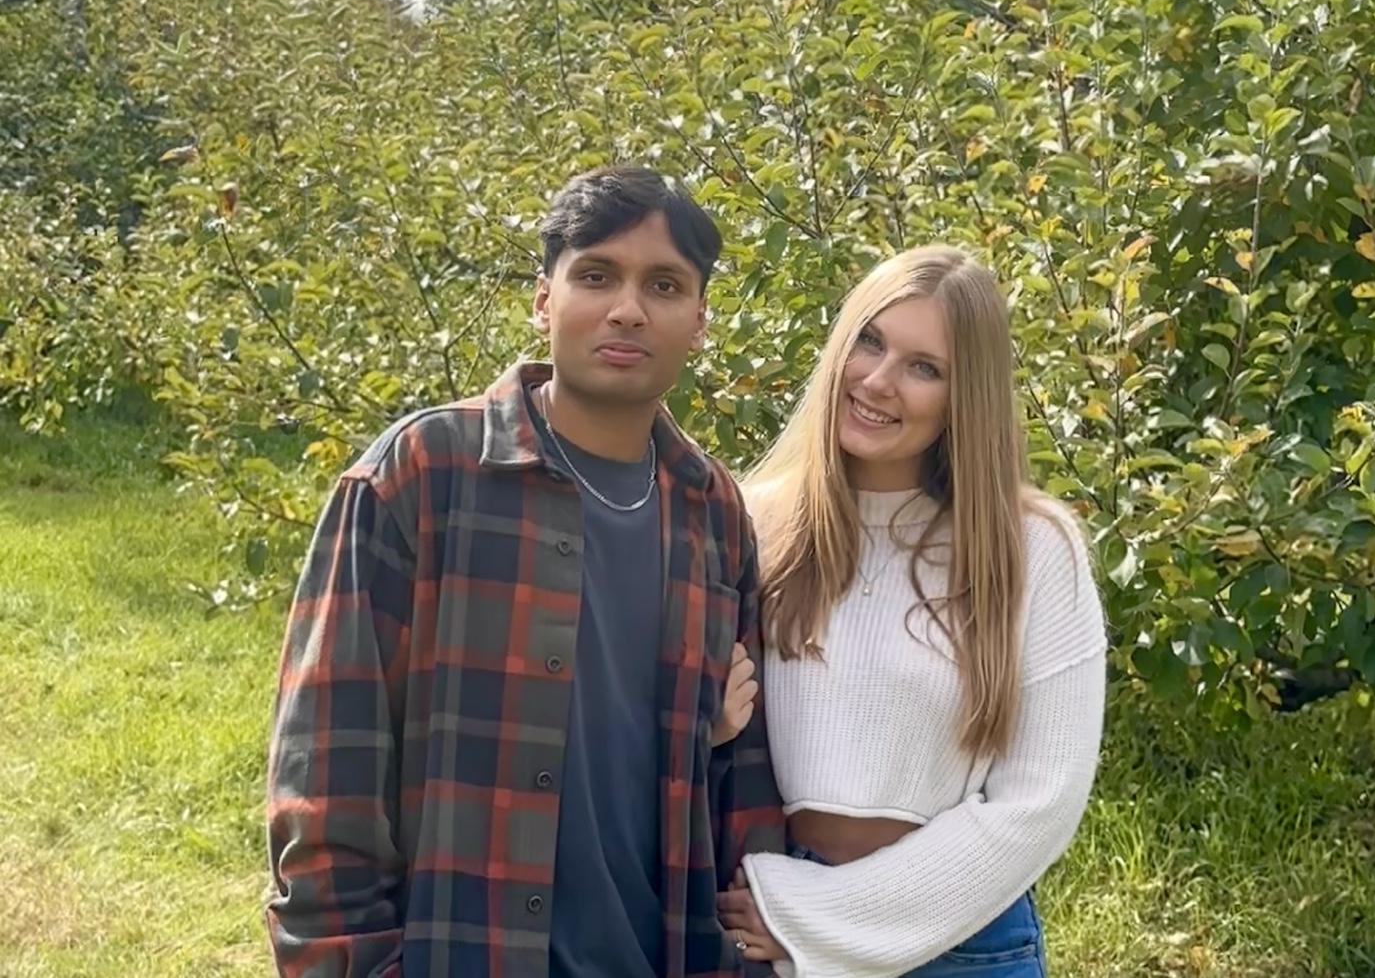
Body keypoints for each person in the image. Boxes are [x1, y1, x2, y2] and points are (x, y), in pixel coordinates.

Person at [266, 166, 784, 978]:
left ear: (699, 322)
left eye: (664, 285)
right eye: (597, 276)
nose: (628, 309)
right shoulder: (424, 475)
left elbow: (738, 785)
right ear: (544, 299)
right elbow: (326, 769)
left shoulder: (710, 509)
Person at [717, 246, 1105, 978]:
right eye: (869, 341)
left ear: (966, 397)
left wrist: (819, 913)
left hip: (960, 942)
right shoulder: (751, 523)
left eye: (923, 367)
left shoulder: (1031, 547)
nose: (876, 380)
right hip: (767, 915)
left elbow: (1040, 803)